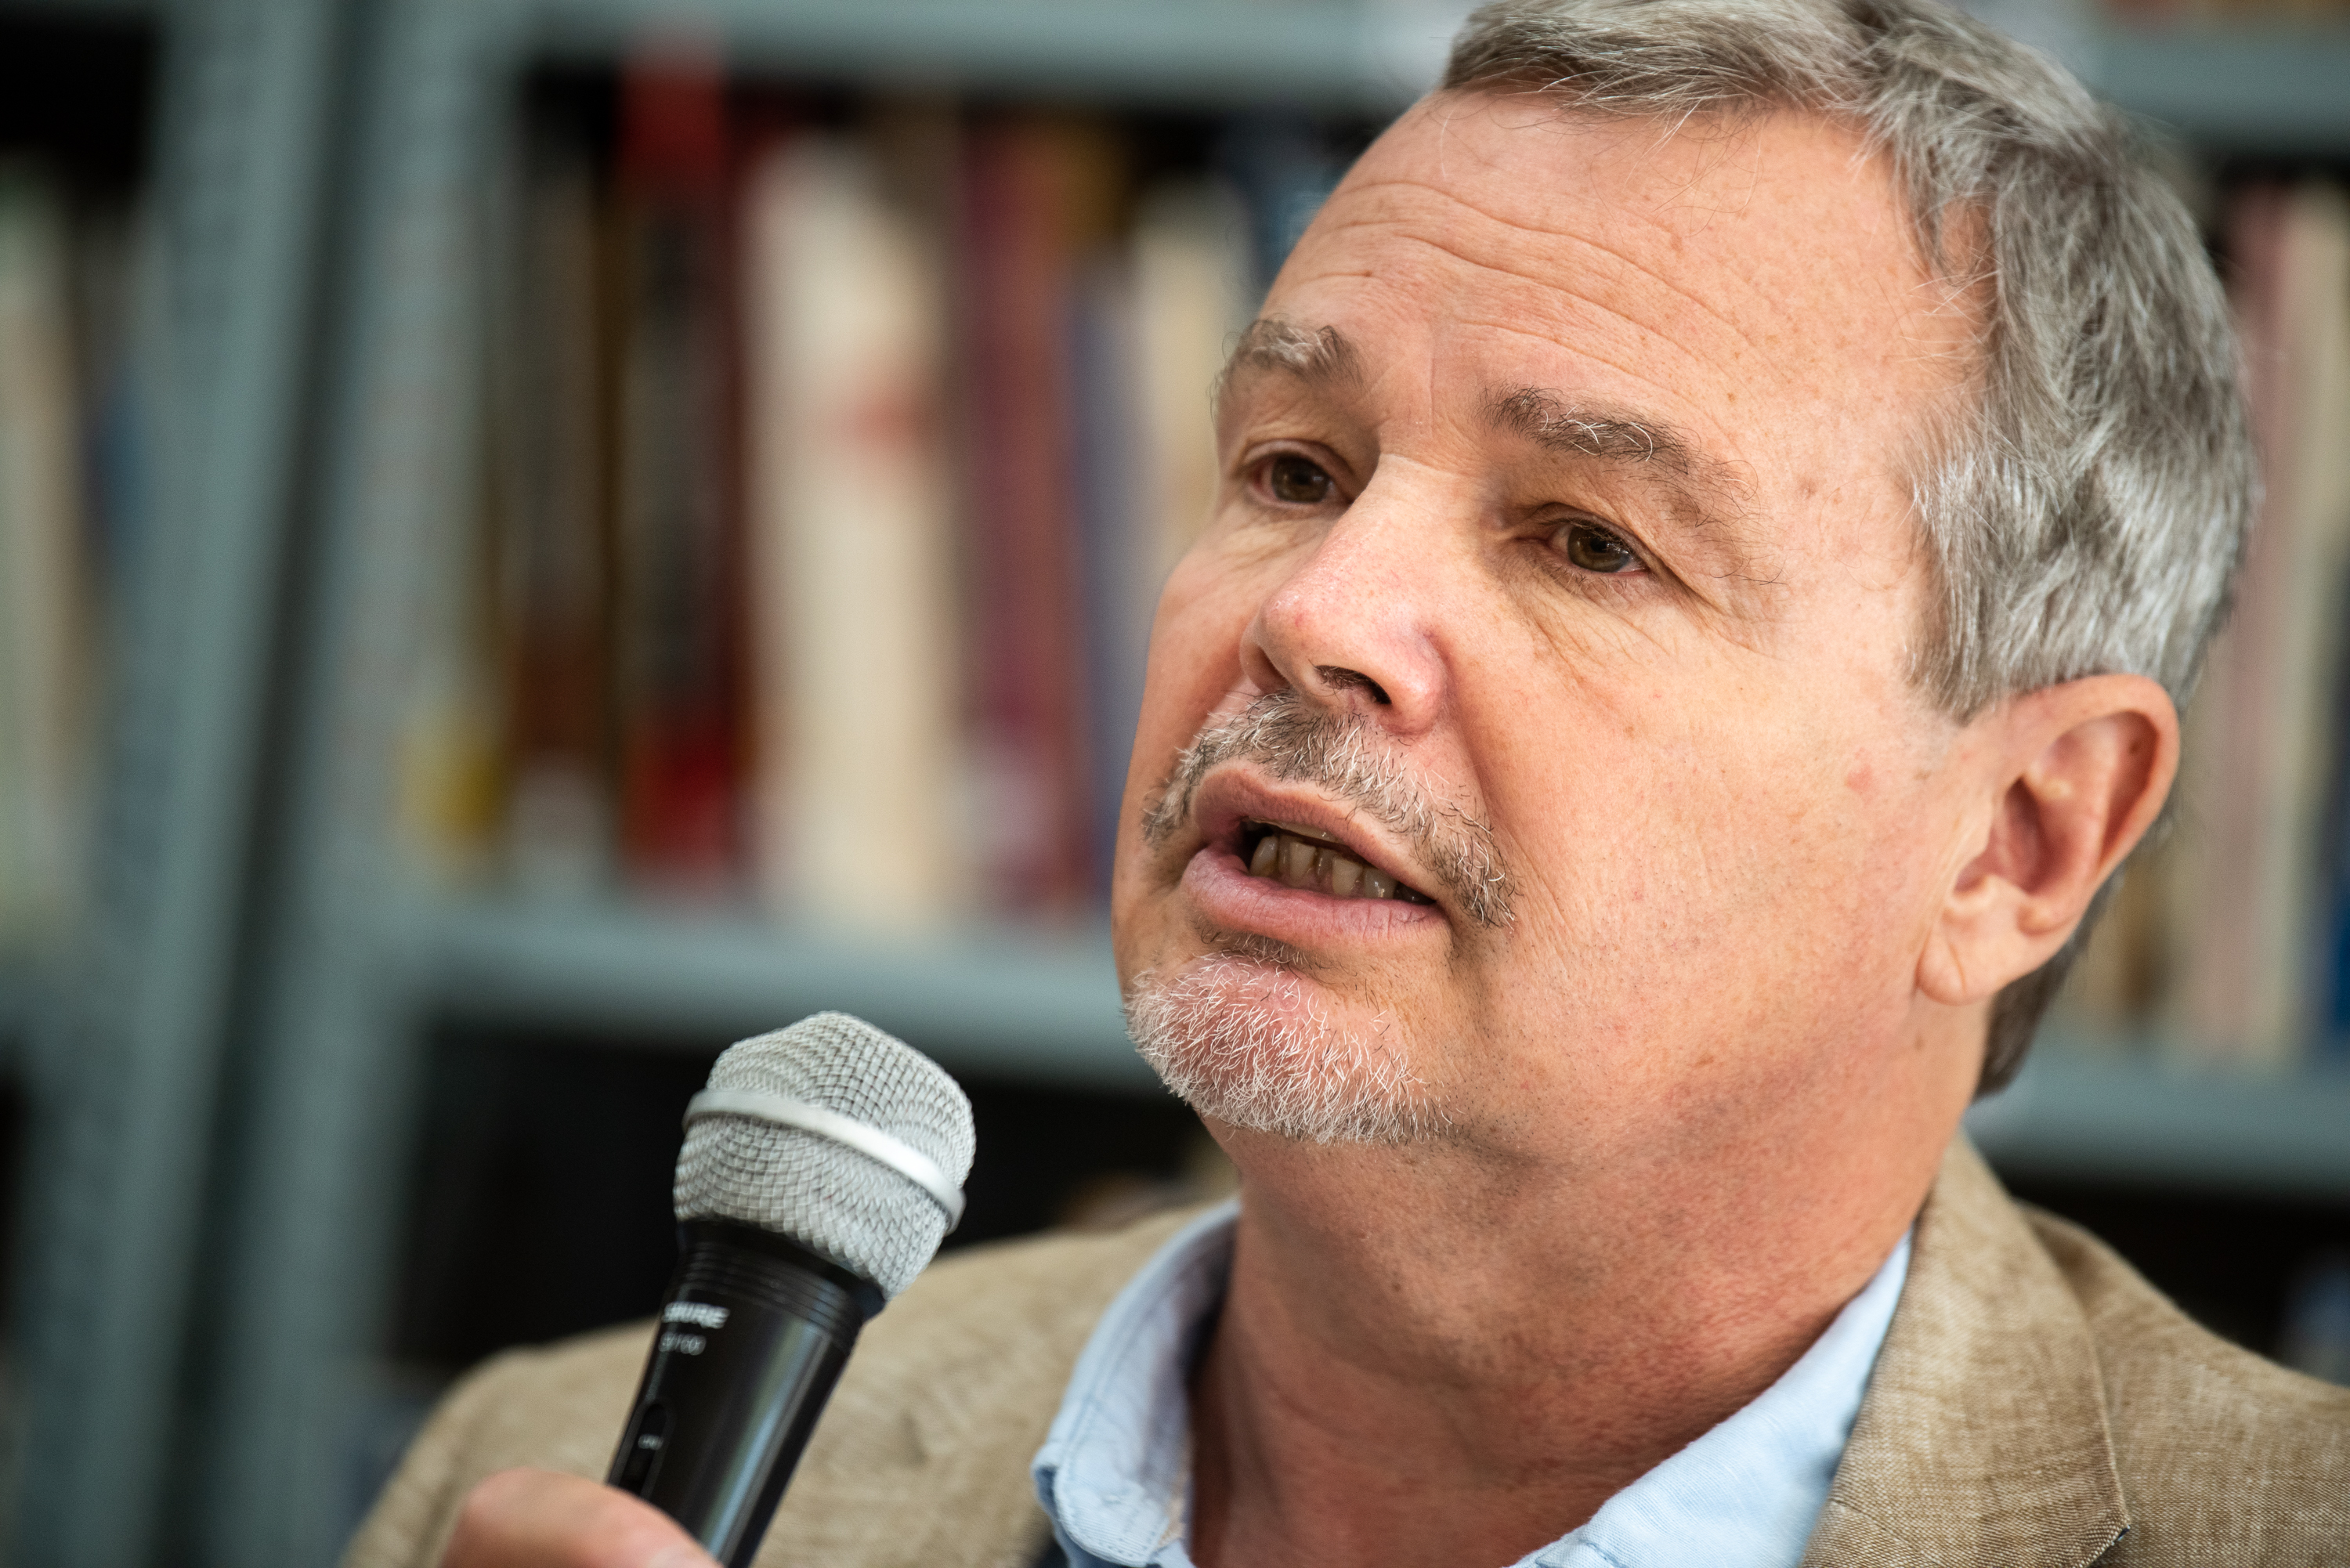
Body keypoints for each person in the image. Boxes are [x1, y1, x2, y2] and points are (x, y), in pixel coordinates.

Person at [349, 2, 2350, 1565]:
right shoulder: (546, 1477)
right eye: (1293, 467)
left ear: (2021, 836)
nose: (1313, 612)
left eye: (1588, 539)